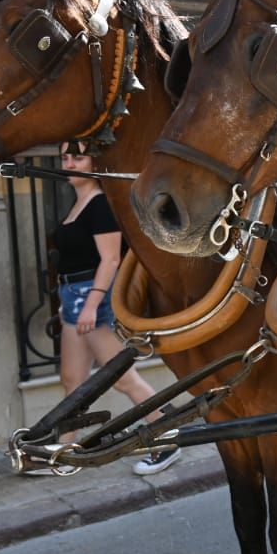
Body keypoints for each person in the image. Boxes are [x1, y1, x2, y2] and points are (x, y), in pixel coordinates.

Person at [53, 146, 180, 475]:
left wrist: (92, 304)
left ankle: (167, 437)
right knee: (72, 381)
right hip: (73, 297)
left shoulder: (99, 205)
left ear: (93, 163)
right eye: (65, 157)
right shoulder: (79, 203)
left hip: (90, 299)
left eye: (78, 157)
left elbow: (110, 260)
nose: (70, 164)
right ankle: (67, 452)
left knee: (123, 379)